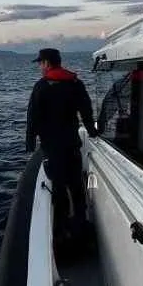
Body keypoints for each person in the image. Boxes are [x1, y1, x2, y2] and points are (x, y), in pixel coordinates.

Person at [26, 48, 99, 239]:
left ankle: (62, 227)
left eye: (40, 63)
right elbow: (86, 110)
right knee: (76, 184)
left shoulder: (41, 86)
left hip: (52, 146)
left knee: (58, 187)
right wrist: (91, 131)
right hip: (72, 144)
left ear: (47, 63)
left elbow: (33, 116)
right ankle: (81, 223)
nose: (40, 67)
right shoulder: (75, 83)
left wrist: (30, 141)